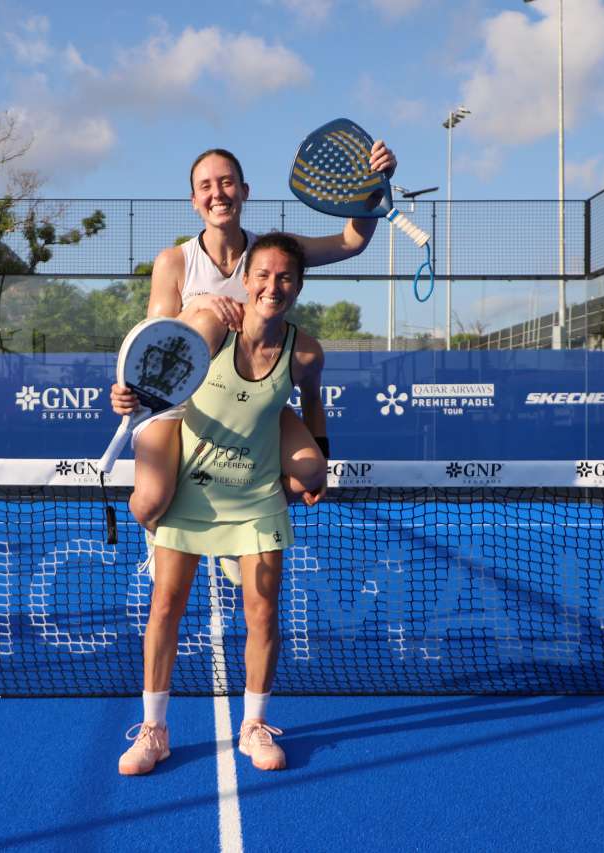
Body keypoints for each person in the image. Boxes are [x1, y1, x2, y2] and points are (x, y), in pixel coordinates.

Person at [130, 142, 397, 585]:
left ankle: (237, 530)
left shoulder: (271, 253)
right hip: (182, 403)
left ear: (245, 191)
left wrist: (372, 185)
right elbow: (155, 346)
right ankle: (160, 531)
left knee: (309, 475)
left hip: (247, 402)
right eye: (206, 186)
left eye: (227, 182)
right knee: (151, 502)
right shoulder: (175, 261)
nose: (218, 193)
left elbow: (351, 241)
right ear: (194, 200)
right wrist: (200, 310)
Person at [114, 233, 324, 775]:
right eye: (262, 275)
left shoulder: (305, 351)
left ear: (298, 285)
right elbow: (153, 374)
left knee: (263, 613)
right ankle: (154, 732)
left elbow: (312, 405)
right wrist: (126, 395)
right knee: (166, 607)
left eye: (285, 278)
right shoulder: (212, 329)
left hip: (255, 495)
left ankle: (253, 725)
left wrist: (317, 460)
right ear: (246, 280)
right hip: (189, 486)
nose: (272, 286)